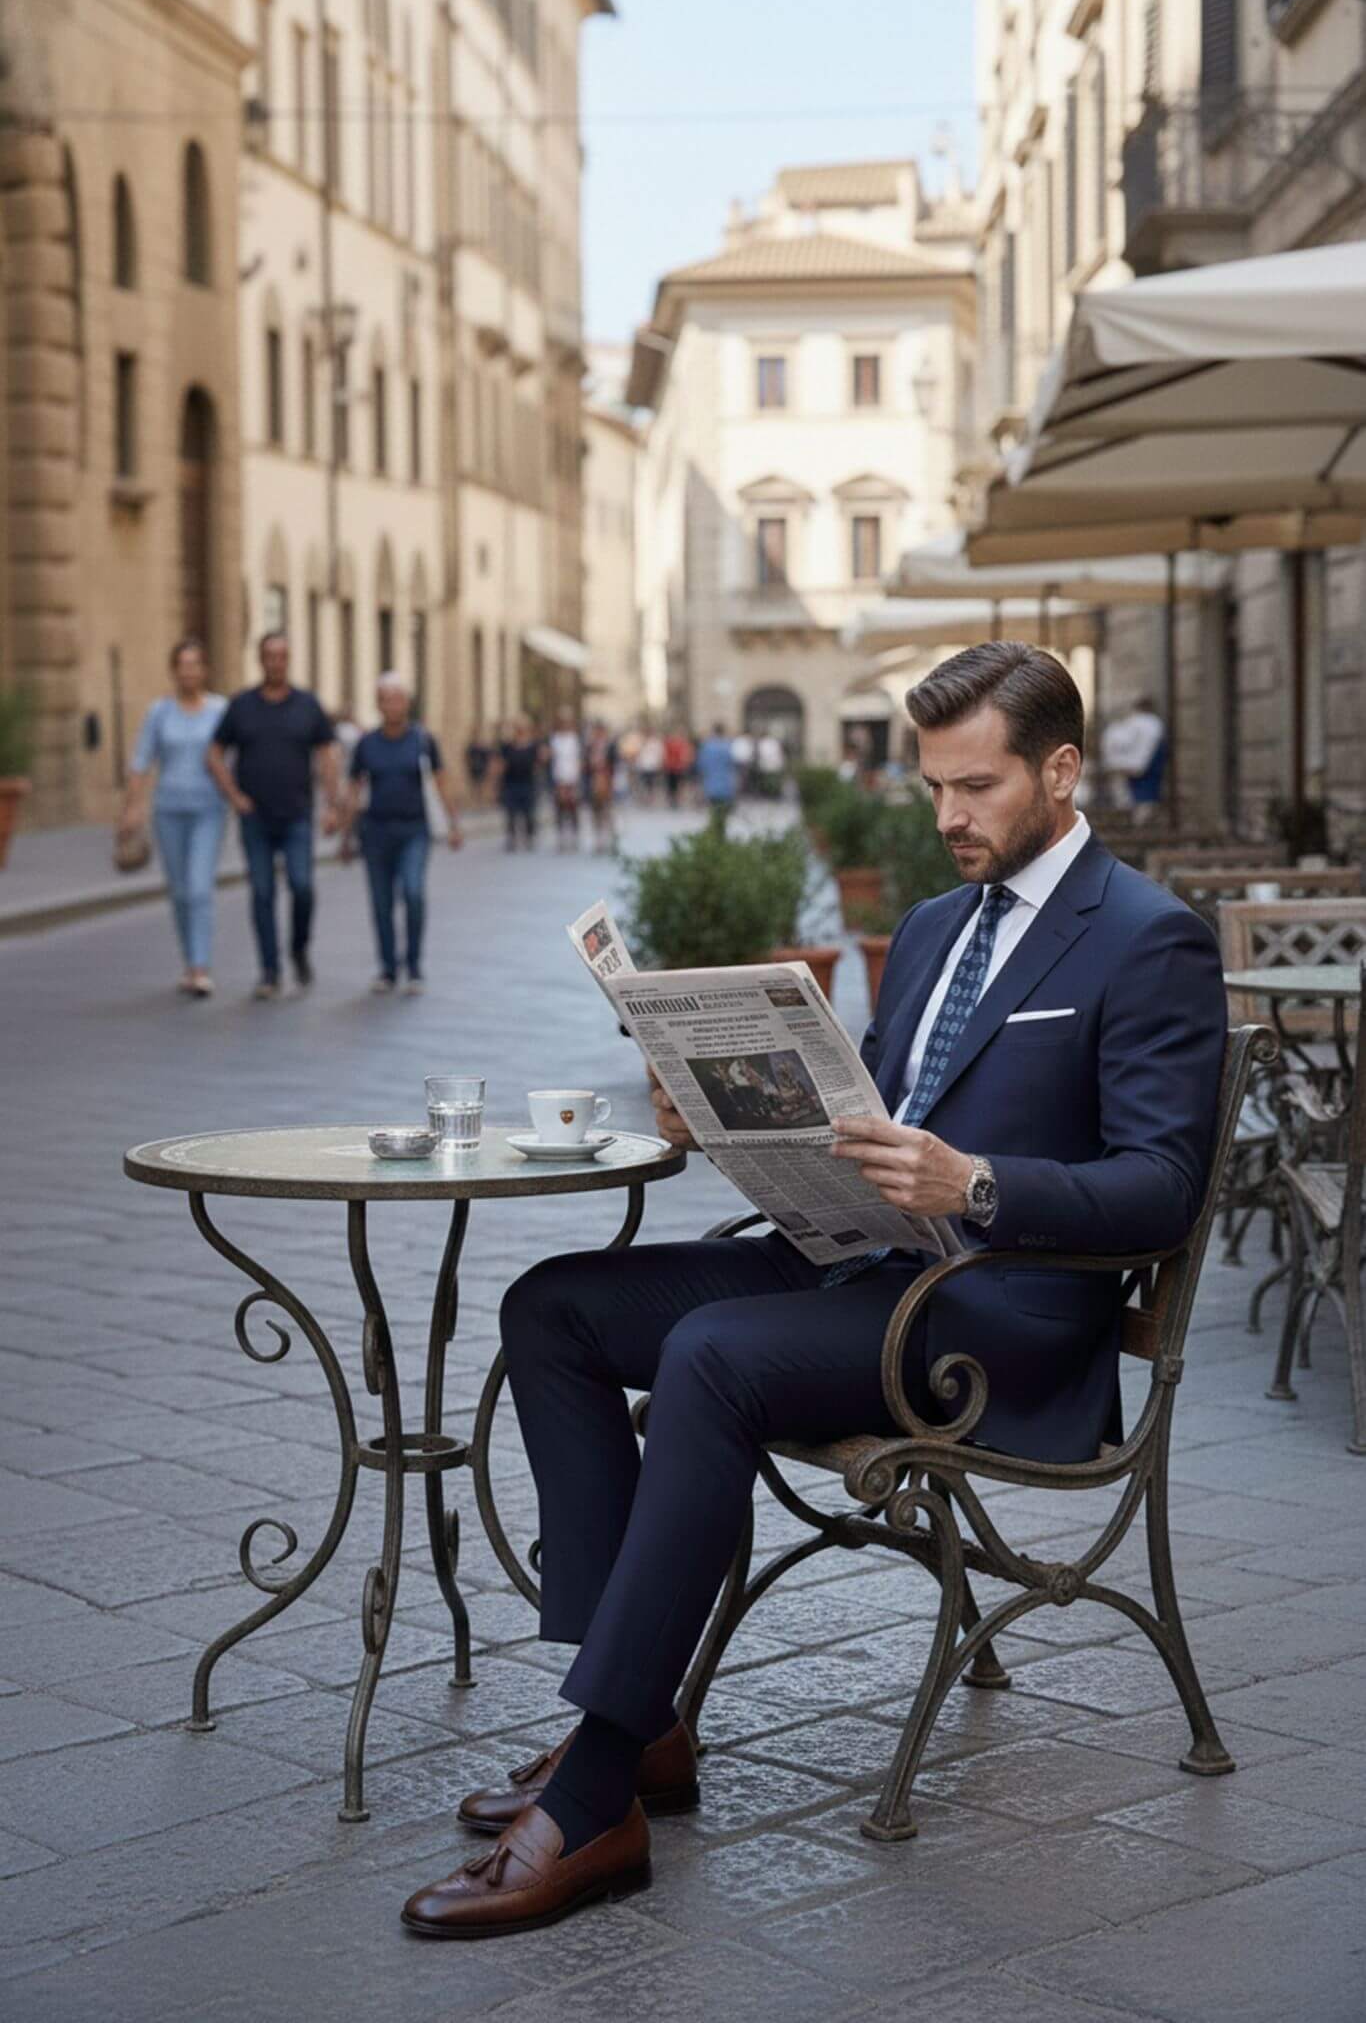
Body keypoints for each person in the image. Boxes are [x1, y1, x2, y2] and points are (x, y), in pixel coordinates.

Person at [400, 639, 1228, 1940]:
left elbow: (1161, 1188)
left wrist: (977, 1182)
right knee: (552, 1308)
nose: (945, 818)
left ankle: (602, 1786)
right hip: (862, 1267)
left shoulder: (1146, 938)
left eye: (975, 787)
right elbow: (875, 1114)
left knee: (714, 1357)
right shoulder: (934, 924)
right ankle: (644, 1715)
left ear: (1061, 771)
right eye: (929, 789)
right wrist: (728, 1115)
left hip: (1002, 1321)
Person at [207, 632, 339, 1000]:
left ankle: (298, 946)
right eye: (269, 656)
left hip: (297, 815)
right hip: (255, 818)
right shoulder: (242, 706)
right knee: (262, 892)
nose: (275, 662)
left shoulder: (308, 705)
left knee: (302, 886)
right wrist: (234, 796)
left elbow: (328, 755)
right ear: (261, 660)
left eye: (282, 656)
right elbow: (213, 754)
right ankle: (269, 970)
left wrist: (332, 805)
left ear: (289, 660)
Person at [339, 672, 462, 996]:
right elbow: (354, 788)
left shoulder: (422, 740)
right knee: (381, 903)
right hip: (375, 832)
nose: (393, 705)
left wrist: (453, 824)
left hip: (414, 831)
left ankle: (414, 965)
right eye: (386, 698)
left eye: (398, 698)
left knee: (413, 892)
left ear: (407, 703)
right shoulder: (367, 744)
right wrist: (345, 836)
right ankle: (388, 969)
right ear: (379, 704)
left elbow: (441, 780)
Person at [118, 639, 227, 997]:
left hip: (208, 810)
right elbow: (140, 762)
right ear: (174, 670)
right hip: (168, 811)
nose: (189, 671)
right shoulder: (159, 712)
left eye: (195, 664)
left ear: (204, 670)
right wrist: (132, 808)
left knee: (199, 887)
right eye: (182, 664)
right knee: (180, 892)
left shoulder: (220, 710)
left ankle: (200, 967)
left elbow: (238, 755)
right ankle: (189, 961)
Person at [1101, 695, 1167, 819]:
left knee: (1130, 795)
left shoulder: (1133, 723)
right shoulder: (1154, 723)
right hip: (1145, 764)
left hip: (1130, 764)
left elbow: (1120, 741)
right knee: (1144, 798)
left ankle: (1130, 817)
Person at [497, 716, 542, 851]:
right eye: (517, 728)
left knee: (528, 813)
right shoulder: (507, 746)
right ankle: (512, 838)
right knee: (511, 813)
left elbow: (539, 762)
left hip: (528, 782)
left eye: (522, 728)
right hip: (511, 783)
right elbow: (500, 763)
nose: (520, 731)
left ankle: (529, 837)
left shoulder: (534, 745)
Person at [548, 706, 584, 852]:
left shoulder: (576, 739)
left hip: (572, 779)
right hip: (559, 778)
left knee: (573, 808)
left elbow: (580, 760)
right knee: (559, 808)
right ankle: (561, 837)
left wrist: (576, 779)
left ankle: (574, 836)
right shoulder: (554, 739)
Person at [583, 720, 618, 855]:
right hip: (593, 782)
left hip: (607, 781)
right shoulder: (589, 746)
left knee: (608, 811)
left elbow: (615, 762)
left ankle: (611, 839)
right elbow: (585, 765)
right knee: (595, 811)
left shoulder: (610, 746)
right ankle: (598, 840)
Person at [695, 721, 737, 832]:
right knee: (723, 813)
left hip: (711, 784)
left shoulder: (707, 747)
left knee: (713, 811)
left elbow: (701, 765)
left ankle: (715, 832)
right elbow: (732, 764)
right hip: (725, 784)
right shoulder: (728, 746)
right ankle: (720, 832)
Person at [661, 725, 694, 809]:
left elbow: (686, 755)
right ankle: (674, 800)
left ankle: (675, 800)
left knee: (675, 785)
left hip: (676, 767)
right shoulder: (671, 743)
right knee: (673, 785)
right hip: (672, 767)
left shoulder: (679, 743)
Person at [635, 728, 663, 805]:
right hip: (643, 766)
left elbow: (659, 754)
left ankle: (650, 798)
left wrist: (659, 764)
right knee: (643, 783)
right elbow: (638, 754)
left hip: (652, 766)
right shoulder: (641, 742)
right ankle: (644, 798)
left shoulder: (656, 743)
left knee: (651, 783)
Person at [464, 733, 493, 806]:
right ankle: (475, 801)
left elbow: (488, 758)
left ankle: (481, 801)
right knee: (474, 786)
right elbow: (467, 757)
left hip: (482, 768)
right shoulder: (472, 748)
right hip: (474, 769)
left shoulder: (484, 748)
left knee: (481, 786)